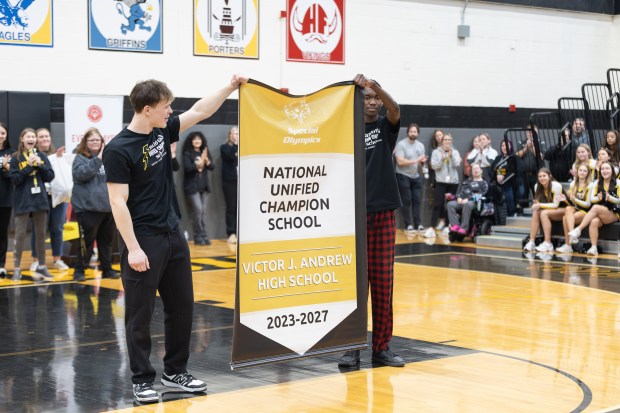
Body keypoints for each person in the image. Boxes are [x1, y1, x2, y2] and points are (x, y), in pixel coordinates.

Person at [103, 76, 247, 403]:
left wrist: (229, 87)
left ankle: (175, 371)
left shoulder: (161, 130)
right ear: (147, 109)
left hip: (173, 235)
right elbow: (117, 202)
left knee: (182, 308)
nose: (171, 111)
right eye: (166, 106)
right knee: (139, 314)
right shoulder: (117, 149)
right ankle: (142, 379)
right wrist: (134, 248)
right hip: (143, 240)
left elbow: (199, 111)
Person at [337, 74, 405, 369]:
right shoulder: (345, 130)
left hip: (383, 213)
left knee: (382, 285)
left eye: (376, 97)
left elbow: (396, 110)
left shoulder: (384, 127)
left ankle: (382, 348)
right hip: (353, 215)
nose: (373, 102)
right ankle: (351, 348)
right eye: (367, 97)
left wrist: (375, 86)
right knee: (354, 287)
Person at [71, 128, 119, 282]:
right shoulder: (80, 158)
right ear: (85, 142)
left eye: (98, 140)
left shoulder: (109, 158)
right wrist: (98, 158)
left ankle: (107, 269)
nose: (95, 142)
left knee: (106, 242)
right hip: (87, 208)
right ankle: (80, 270)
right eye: (91, 140)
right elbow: (81, 175)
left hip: (108, 208)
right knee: (86, 243)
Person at [9, 128, 55, 281]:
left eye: (33, 137)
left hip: (40, 200)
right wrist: (29, 166)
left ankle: (42, 266)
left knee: (41, 235)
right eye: (28, 136)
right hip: (23, 201)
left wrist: (40, 165)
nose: (31, 139)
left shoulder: (41, 155)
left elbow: (50, 176)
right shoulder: (15, 158)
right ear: (22, 139)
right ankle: (17, 268)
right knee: (20, 235)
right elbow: (15, 180)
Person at [31, 128, 70, 271]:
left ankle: (57, 259)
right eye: (40, 137)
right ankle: (36, 260)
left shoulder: (58, 155)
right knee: (38, 230)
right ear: (35, 139)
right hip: (39, 197)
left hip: (59, 197)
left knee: (57, 228)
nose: (44, 139)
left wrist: (60, 158)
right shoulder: (31, 155)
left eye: (46, 136)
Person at [567, 161, 620, 256]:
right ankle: (594, 247)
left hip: (614, 212)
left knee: (595, 207)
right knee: (594, 221)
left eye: (607, 168)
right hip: (601, 211)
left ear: (612, 170)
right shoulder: (597, 183)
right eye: (602, 169)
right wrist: (598, 198)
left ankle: (578, 230)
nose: (605, 171)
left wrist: (609, 198)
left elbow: (619, 200)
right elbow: (592, 199)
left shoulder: (618, 182)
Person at [425, 133, 461, 238]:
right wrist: (442, 159)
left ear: (451, 141)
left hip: (453, 183)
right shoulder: (436, 152)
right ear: (442, 141)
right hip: (440, 182)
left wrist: (451, 156)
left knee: (450, 205)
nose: (447, 142)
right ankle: (431, 228)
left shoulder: (455, 152)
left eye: (449, 140)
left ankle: (447, 226)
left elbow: (457, 164)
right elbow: (434, 166)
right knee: (438, 204)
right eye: (445, 140)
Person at [182, 131, 214, 246]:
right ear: (191, 141)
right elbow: (188, 168)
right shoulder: (187, 153)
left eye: (199, 139)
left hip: (204, 187)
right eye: (194, 139)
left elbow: (212, 167)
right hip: (192, 188)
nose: (197, 141)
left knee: (203, 213)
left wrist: (206, 160)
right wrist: (200, 163)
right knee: (198, 211)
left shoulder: (204, 152)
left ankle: (204, 236)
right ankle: (198, 236)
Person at [523, 168, 566, 253]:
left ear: (549, 176)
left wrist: (540, 205)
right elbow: (540, 203)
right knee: (536, 212)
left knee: (544, 213)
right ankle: (531, 241)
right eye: (540, 176)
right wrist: (536, 205)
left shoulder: (556, 186)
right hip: (551, 211)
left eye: (544, 176)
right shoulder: (537, 186)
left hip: (564, 210)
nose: (542, 178)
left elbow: (555, 205)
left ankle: (548, 243)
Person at [394, 123, 427, 233]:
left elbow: (421, 162)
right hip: (403, 175)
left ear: (418, 133)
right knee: (406, 201)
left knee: (417, 201)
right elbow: (400, 161)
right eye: (411, 131)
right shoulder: (401, 144)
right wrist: (416, 161)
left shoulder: (421, 146)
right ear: (408, 132)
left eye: (415, 131)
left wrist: (422, 162)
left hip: (415, 176)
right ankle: (408, 225)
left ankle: (418, 224)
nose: (413, 133)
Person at [556, 163, 594, 254]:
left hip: (587, 211)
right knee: (568, 208)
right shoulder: (573, 184)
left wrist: (575, 200)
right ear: (577, 172)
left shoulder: (591, 185)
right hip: (577, 208)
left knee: (565, 218)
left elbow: (587, 205)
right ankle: (573, 236)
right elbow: (572, 203)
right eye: (580, 170)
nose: (582, 172)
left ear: (588, 173)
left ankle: (568, 245)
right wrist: (566, 199)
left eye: (585, 171)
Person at [446, 164, 488, 236]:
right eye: (473, 169)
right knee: (450, 204)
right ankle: (455, 225)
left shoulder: (484, 183)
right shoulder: (467, 181)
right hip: (462, 201)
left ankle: (464, 228)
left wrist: (468, 199)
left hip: (475, 202)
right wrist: (458, 197)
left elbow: (482, 195)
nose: (475, 170)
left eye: (477, 168)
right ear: (471, 172)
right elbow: (460, 191)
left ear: (481, 171)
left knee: (467, 204)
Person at [220, 126, 238, 244]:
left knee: (240, 208)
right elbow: (230, 156)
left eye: (238, 133)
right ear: (229, 135)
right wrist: (236, 145)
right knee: (231, 207)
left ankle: (239, 232)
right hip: (230, 182)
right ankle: (231, 233)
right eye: (234, 133)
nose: (236, 135)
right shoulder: (225, 148)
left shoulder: (244, 148)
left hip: (242, 181)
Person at [492, 139, 518, 216]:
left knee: (510, 202)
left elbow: (515, 170)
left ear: (511, 147)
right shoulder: (498, 158)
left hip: (509, 184)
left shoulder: (514, 157)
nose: (504, 147)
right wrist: (497, 175)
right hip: (498, 186)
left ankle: (512, 216)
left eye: (507, 145)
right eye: (503, 145)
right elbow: (491, 170)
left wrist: (503, 176)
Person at [0, 122, 12, 278]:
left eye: (2, 133)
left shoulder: (11, 153)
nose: (0, 136)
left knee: (2, 233)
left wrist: (5, 167)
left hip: (4, 199)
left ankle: (1, 265)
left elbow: (13, 177)